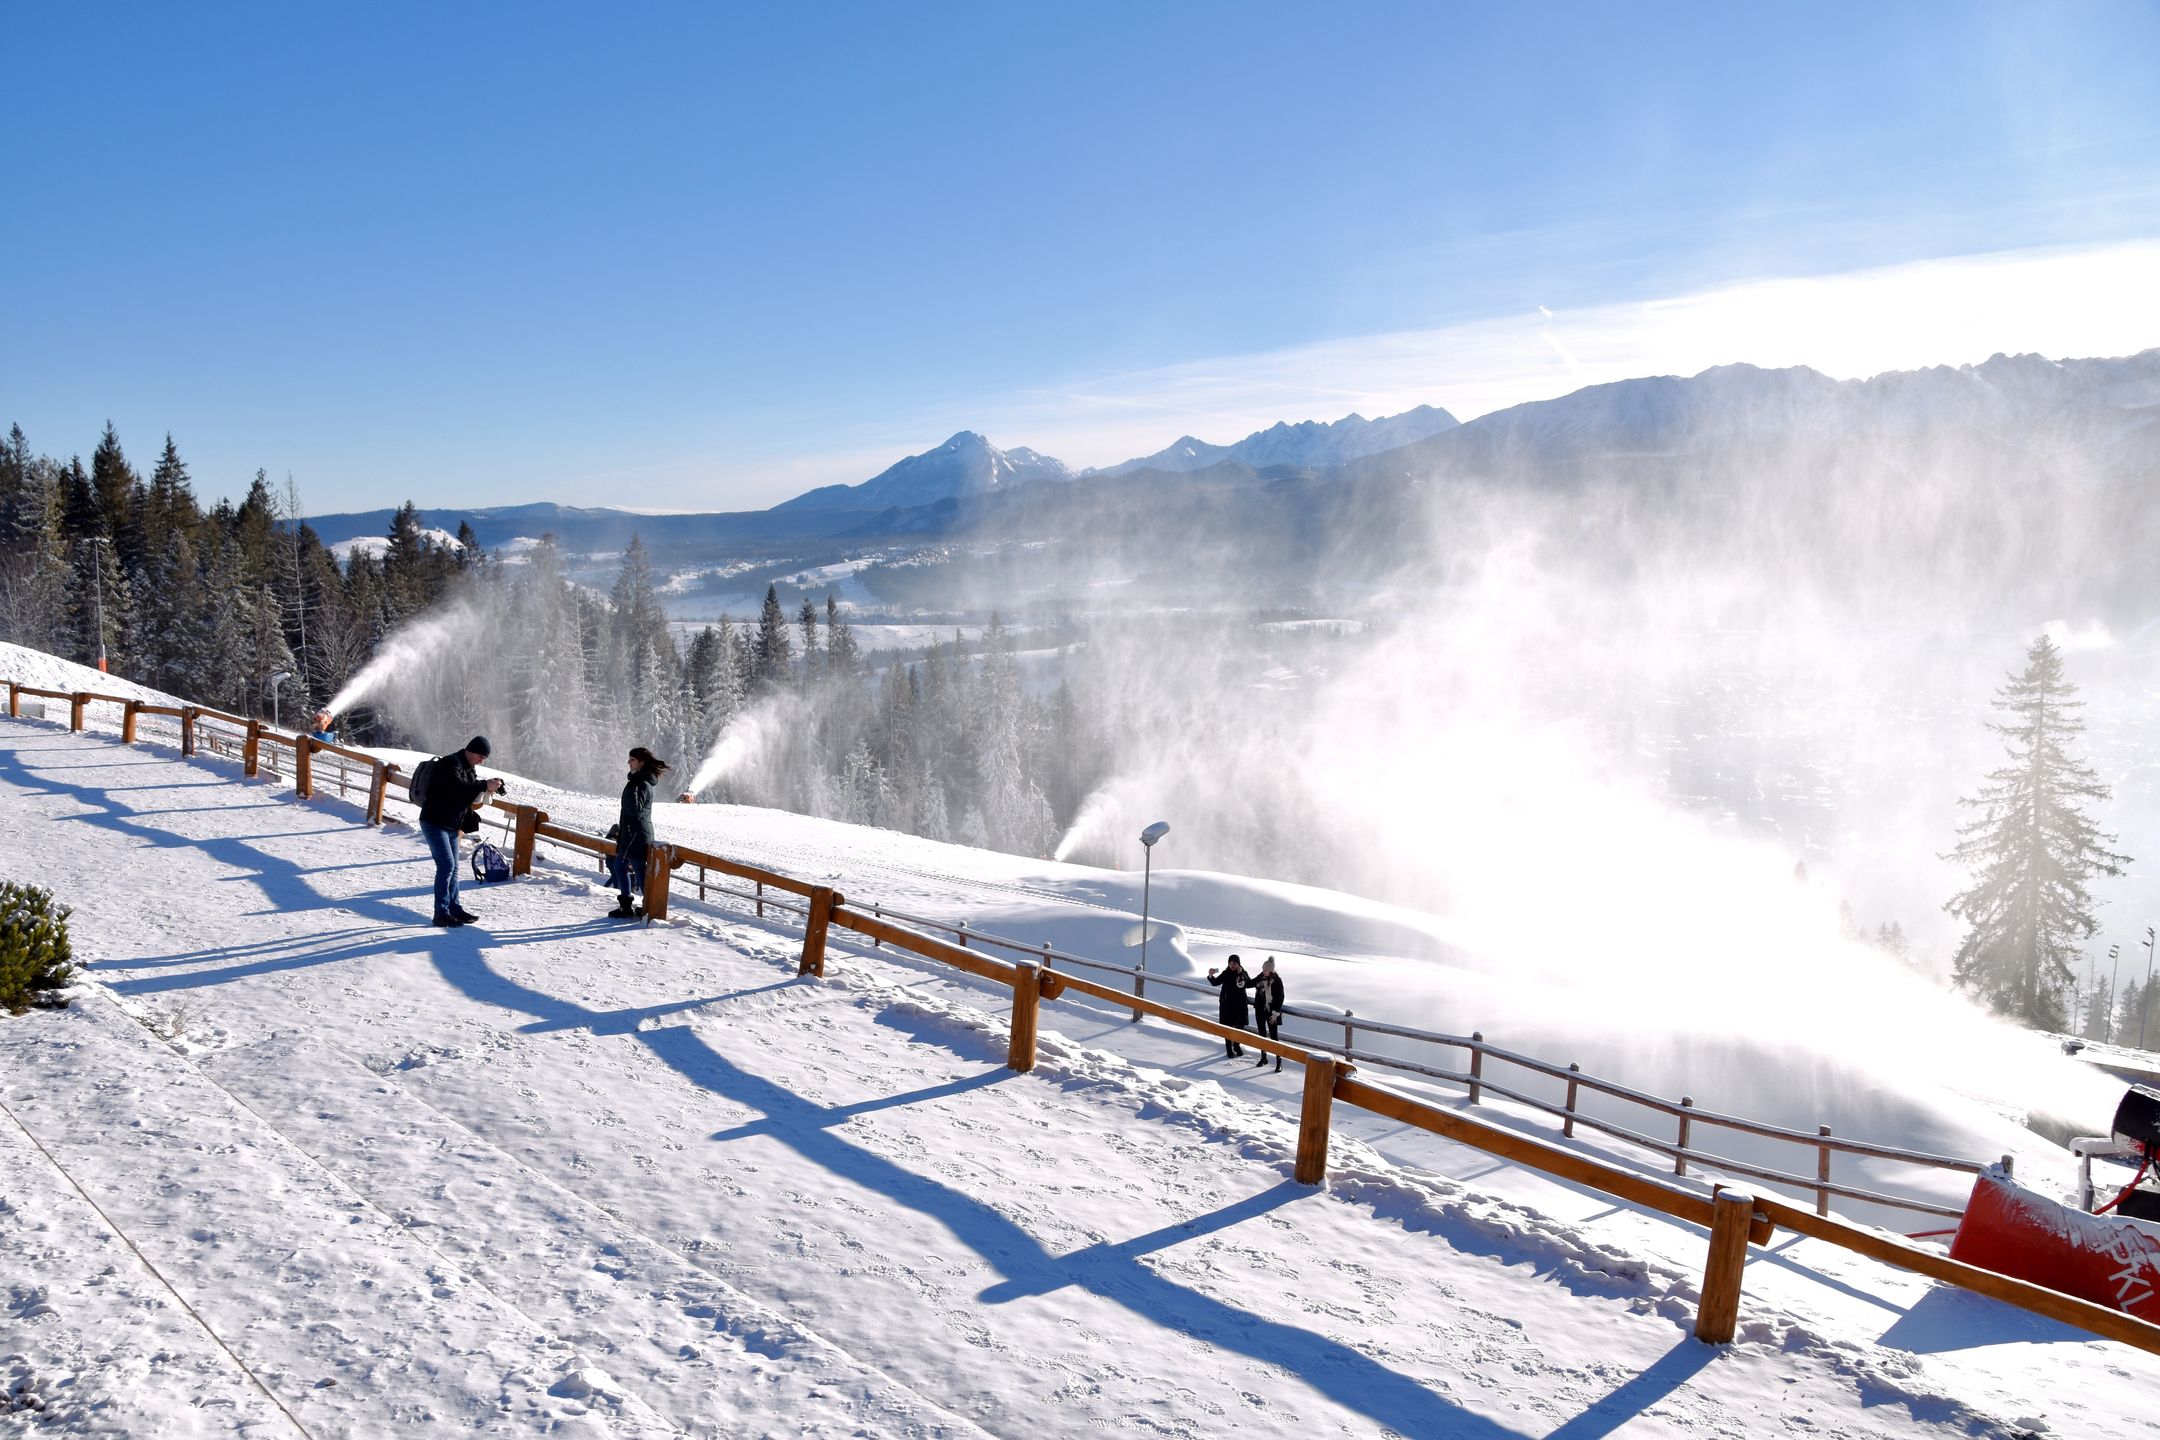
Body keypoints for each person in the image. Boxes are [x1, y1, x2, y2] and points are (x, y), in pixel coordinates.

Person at [417, 735, 501, 927]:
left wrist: (486, 789)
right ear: (471, 751)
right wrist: (482, 785)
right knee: (446, 865)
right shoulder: (449, 763)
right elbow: (457, 789)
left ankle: (455, 910)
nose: (481, 761)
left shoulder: (469, 768)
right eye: (481, 756)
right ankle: (441, 913)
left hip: (452, 826)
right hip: (434, 822)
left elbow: (468, 794)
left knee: (454, 868)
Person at [609, 746, 670, 919]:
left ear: (641, 762)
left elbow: (635, 810)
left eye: (632, 760)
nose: (629, 762)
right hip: (633, 831)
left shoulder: (641, 783)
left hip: (636, 833)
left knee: (623, 866)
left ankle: (638, 907)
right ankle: (639, 907)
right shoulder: (638, 781)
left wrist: (633, 787)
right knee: (633, 867)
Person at [1206, 953, 1251, 1058]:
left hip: (1239, 1004)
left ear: (1238, 964)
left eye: (1234, 963)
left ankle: (1236, 1045)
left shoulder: (1243, 973)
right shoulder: (1226, 973)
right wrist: (1210, 975)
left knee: (1239, 1026)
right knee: (1227, 1026)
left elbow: (1248, 983)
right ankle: (1228, 1048)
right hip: (1227, 1004)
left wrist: (1241, 975)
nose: (1232, 965)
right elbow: (1215, 982)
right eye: (1230, 963)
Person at [1249, 956, 1285, 1072]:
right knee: (1262, 1035)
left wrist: (1275, 1014)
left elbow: (1280, 998)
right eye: (1263, 969)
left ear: (1271, 970)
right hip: (1260, 1010)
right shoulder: (1260, 977)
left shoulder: (1277, 981)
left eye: (1265, 969)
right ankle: (1263, 1058)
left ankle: (1279, 1061)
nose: (1263, 971)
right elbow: (1250, 983)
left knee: (1274, 1037)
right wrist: (1241, 980)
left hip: (1271, 1013)